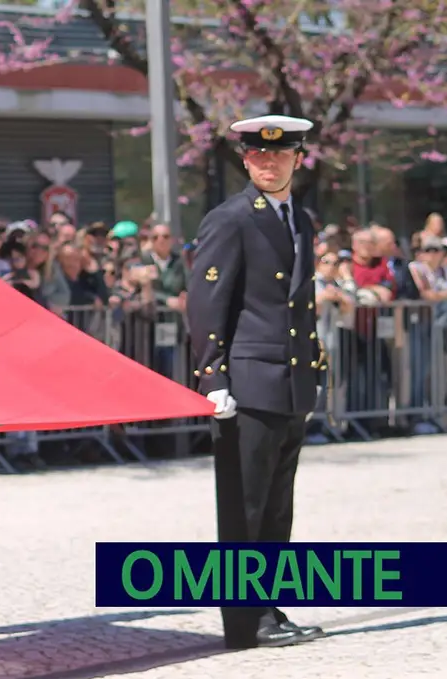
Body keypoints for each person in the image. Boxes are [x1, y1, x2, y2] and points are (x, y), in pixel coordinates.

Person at [186, 114, 328, 650]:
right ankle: (244, 622)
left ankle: (268, 606)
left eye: (280, 153)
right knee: (244, 507)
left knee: (276, 507)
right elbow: (207, 302)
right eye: (258, 154)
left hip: (288, 380)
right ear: (246, 160)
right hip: (247, 380)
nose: (269, 162)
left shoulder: (300, 219)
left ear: (298, 158)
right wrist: (212, 376)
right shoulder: (231, 218)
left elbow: (298, 304)